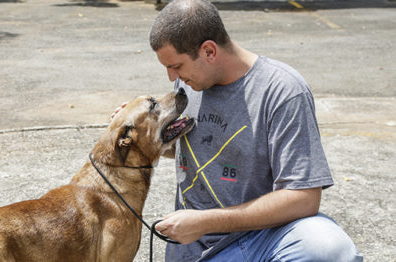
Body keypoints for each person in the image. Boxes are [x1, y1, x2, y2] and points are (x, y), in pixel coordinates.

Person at [114, 0, 362, 261]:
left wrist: (206, 221)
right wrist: (139, 133)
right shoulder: (189, 84)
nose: (171, 78)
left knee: (329, 248)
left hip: (265, 241)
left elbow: (304, 198)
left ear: (209, 51)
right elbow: (195, 146)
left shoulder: (281, 91)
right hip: (197, 251)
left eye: (176, 66)